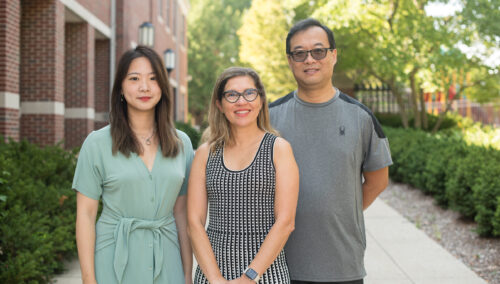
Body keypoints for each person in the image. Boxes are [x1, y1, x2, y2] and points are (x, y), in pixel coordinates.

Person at [269, 18, 393, 284]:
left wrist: (340, 211)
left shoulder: (361, 118)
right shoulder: (269, 118)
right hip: (277, 263)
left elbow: (378, 181)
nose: (309, 60)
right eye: (299, 53)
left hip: (341, 263)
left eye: (318, 51)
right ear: (290, 61)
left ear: (333, 55)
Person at [73, 46, 193, 284]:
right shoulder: (96, 144)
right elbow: (85, 216)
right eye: (134, 79)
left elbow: (181, 214)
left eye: (153, 79)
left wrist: (187, 274)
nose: (144, 87)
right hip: (112, 259)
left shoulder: (182, 143)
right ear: (120, 87)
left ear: (163, 87)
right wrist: (89, 279)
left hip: (167, 260)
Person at [188, 67, 299, 283]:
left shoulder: (279, 149)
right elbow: (194, 221)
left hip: (266, 275)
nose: (241, 101)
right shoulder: (205, 153)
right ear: (219, 104)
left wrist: (249, 277)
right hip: (211, 274)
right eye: (232, 95)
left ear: (260, 100)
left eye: (250, 93)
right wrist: (215, 278)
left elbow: (285, 222)